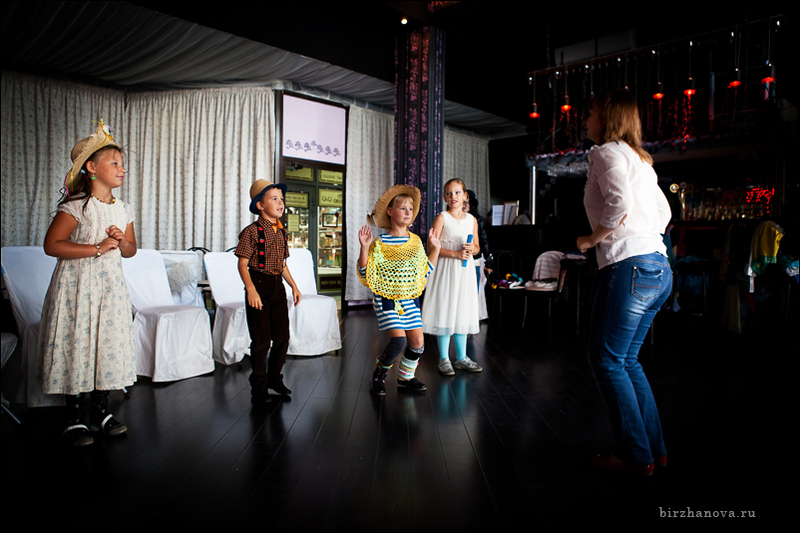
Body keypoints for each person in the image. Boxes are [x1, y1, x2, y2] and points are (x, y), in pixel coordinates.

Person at [577, 89, 673, 475]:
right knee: (626, 360)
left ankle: (635, 454)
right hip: (659, 267)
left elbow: (619, 205)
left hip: (629, 266)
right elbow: (664, 212)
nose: (586, 119)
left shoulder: (605, 152)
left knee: (606, 360)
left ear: (607, 117)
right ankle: (654, 449)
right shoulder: (641, 160)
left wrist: (591, 240)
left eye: (590, 112)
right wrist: (643, 236)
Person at [39, 119, 137, 446]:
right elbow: (52, 245)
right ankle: (75, 417)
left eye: (122, 164)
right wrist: (96, 247)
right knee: (77, 343)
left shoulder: (124, 209)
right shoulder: (75, 206)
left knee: (106, 345)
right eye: (115, 163)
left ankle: (101, 412)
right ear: (92, 168)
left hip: (110, 288)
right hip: (77, 288)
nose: (122, 169)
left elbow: (131, 251)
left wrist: (121, 241)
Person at [358, 185, 441, 396]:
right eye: (402, 208)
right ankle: (378, 376)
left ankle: (405, 377)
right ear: (389, 211)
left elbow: (424, 271)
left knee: (418, 343)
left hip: (410, 299)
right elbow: (366, 273)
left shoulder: (415, 242)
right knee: (399, 341)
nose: (407, 212)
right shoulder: (380, 243)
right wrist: (364, 248)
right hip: (386, 299)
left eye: (410, 209)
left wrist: (436, 249)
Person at [235, 179, 301, 402]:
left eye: (281, 199)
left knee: (282, 337)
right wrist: (251, 290)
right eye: (274, 199)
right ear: (260, 205)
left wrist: (293, 286)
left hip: (277, 286)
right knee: (261, 340)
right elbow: (242, 264)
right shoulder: (251, 232)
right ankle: (259, 384)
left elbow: (281, 264)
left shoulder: (281, 232)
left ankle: (275, 378)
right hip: (259, 285)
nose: (280, 202)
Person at [421, 178, 482, 375]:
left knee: (462, 309)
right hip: (446, 269)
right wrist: (455, 253)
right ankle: (444, 359)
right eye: (448, 193)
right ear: (444, 197)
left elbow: (477, 247)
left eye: (457, 192)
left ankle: (462, 357)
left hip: (465, 271)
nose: (453, 196)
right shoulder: (442, 218)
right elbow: (431, 247)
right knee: (445, 308)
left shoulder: (472, 220)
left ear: (465, 196)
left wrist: (472, 249)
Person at [465, 189, 493, 292]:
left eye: (467, 203)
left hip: (475, 259)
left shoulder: (477, 220)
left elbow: (484, 241)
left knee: (475, 291)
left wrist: (488, 263)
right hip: (460, 258)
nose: (464, 206)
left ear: (472, 205)